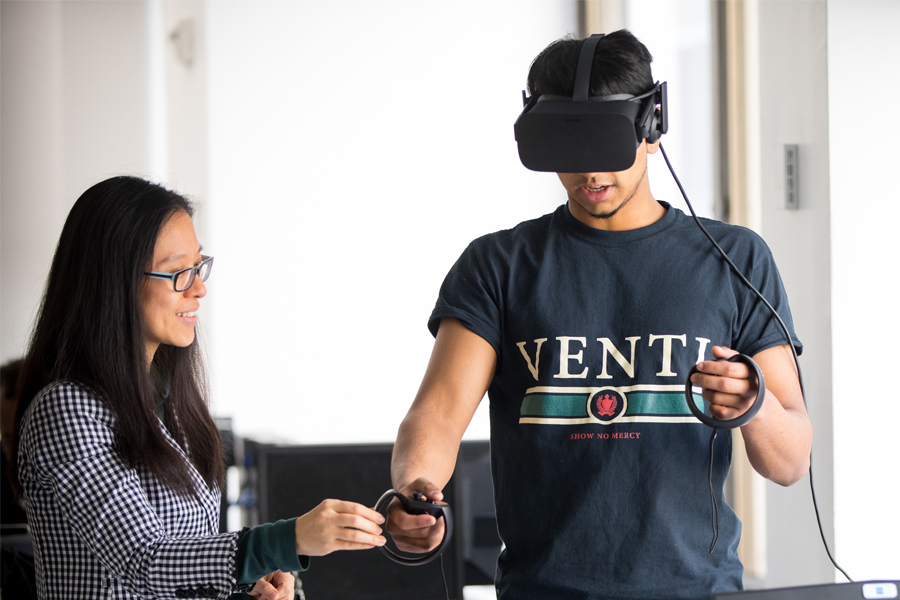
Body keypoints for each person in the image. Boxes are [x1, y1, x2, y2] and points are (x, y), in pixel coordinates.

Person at [386, 30, 813, 600]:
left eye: (604, 145)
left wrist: (753, 406)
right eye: (568, 147)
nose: (589, 173)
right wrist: (415, 489)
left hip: (696, 590)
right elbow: (436, 417)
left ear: (651, 127)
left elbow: (790, 463)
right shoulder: (498, 265)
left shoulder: (735, 259)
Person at [11, 176, 387, 600]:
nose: (199, 288)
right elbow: (145, 559)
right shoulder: (66, 410)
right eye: (178, 273)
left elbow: (185, 567)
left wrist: (247, 590)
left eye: (199, 266)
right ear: (113, 282)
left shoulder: (173, 406)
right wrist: (286, 540)